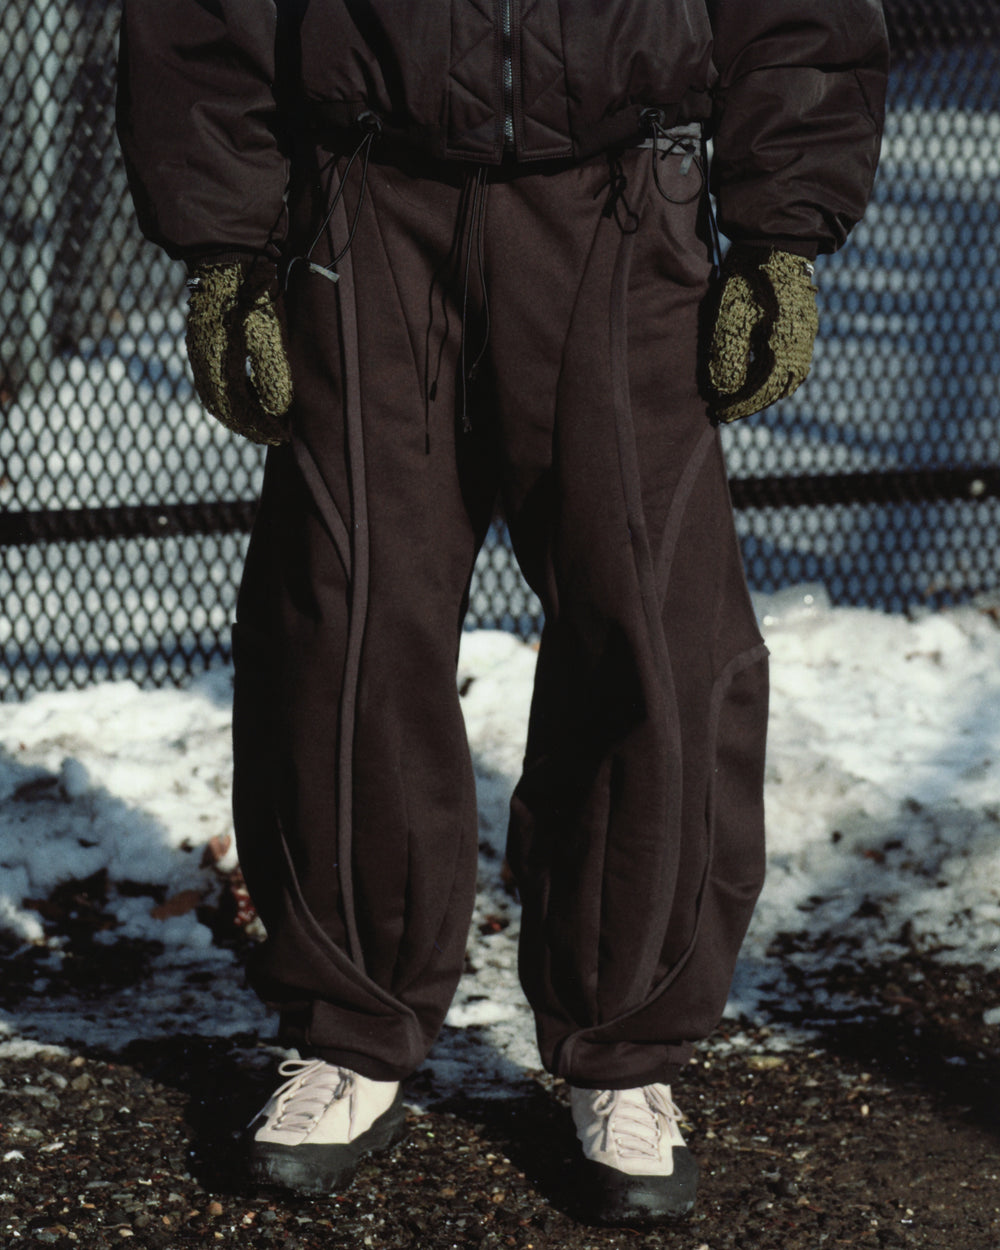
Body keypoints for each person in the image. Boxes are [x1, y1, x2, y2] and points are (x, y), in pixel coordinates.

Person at [116, 0, 888, 1227]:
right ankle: (351, 1025)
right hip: (363, 201)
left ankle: (625, 1044)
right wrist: (224, 245)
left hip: (624, 207)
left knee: (656, 634)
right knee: (344, 621)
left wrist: (779, 231)